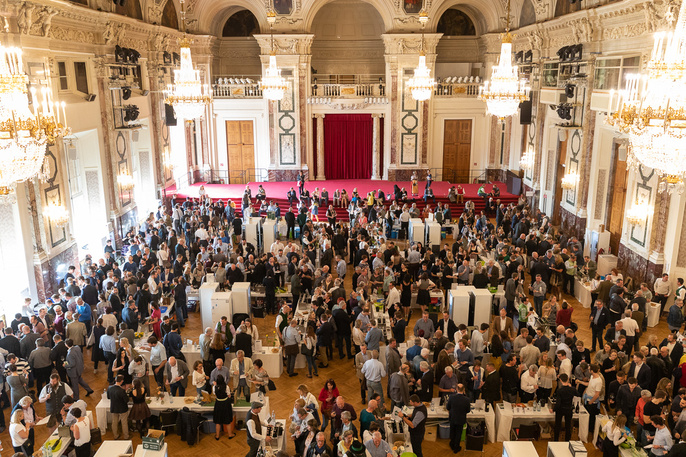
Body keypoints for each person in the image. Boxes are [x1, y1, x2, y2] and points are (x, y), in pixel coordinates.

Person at [446, 383, 471, 453]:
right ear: (463, 390)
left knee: (452, 431)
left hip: (453, 418)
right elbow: (468, 410)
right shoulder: (467, 399)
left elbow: (448, 407)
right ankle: (456, 447)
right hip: (461, 419)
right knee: (458, 433)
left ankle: (452, 444)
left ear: (456, 389)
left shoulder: (451, 397)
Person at [213, 374, 236, 440]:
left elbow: (215, 395)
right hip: (225, 404)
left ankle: (217, 436)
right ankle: (230, 434)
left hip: (218, 403)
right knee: (227, 420)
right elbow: (229, 395)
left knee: (218, 421)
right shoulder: (226, 387)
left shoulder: (214, 387)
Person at [108, 374, 130, 440]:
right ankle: (126, 436)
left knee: (114, 422)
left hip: (114, 407)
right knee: (124, 423)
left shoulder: (109, 388)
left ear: (115, 380)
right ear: (122, 381)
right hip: (122, 408)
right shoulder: (122, 391)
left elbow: (108, 397)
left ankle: (116, 436)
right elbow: (126, 400)